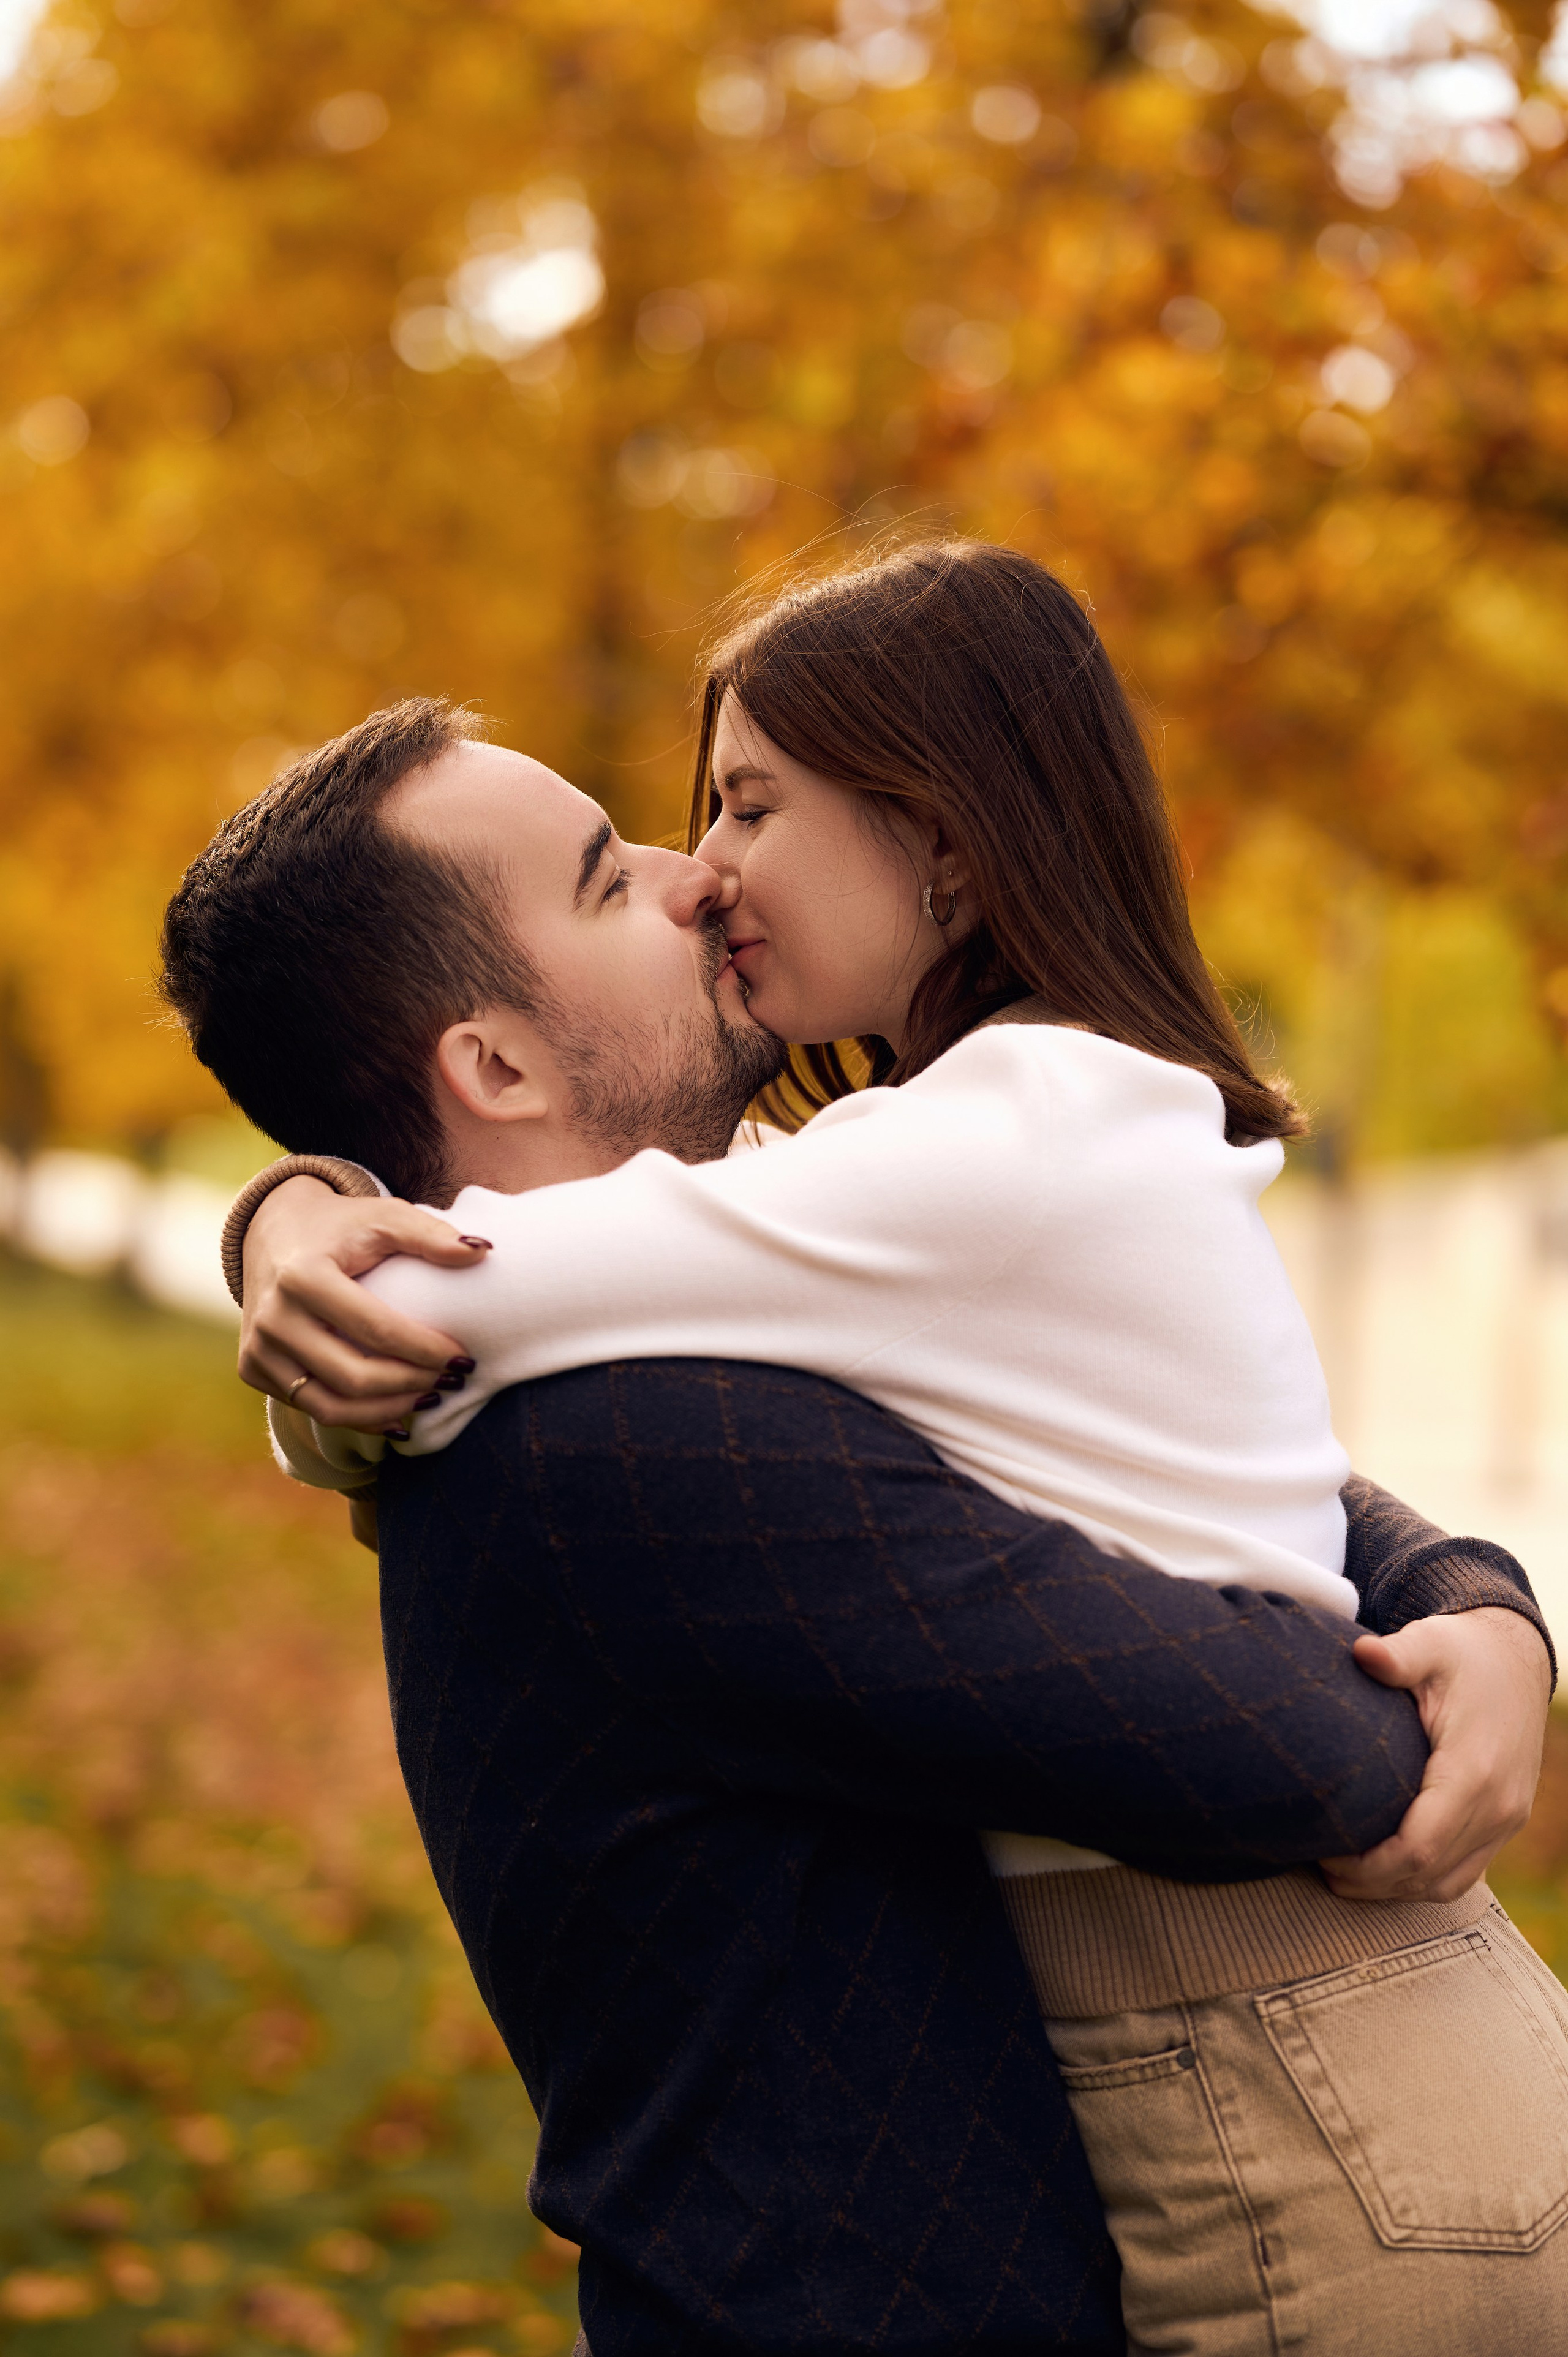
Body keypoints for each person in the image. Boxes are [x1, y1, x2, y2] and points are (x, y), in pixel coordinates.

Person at [157, 600, 1558, 2352]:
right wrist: (306, 1243)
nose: (696, 876)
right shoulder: (621, 1445)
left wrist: (1477, 1600)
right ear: (496, 1065)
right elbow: (1297, 1743)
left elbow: (1213, 1461)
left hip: (1332, 2140)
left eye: (735, 814)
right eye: (610, 878)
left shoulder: (793, 1248)